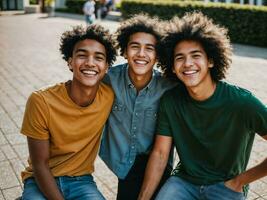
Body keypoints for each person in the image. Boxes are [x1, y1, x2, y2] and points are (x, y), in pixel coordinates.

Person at [138, 12, 267, 200]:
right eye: (179, 58)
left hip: (227, 185)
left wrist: (240, 181)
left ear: (211, 60)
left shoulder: (241, 102)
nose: (187, 63)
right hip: (183, 182)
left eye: (195, 55)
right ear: (173, 66)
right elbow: (160, 154)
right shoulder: (171, 100)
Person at [20, 24, 117, 200]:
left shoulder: (109, 96)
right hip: (40, 179)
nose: (90, 62)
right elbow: (39, 164)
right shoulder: (41, 101)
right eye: (82, 55)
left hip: (81, 181)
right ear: (70, 61)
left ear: (106, 66)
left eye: (98, 57)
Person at [99, 14, 176, 200]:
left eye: (149, 49)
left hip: (159, 162)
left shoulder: (170, 87)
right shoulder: (108, 80)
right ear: (124, 51)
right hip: (124, 165)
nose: (141, 54)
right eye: (135, 47)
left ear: (157, 55)